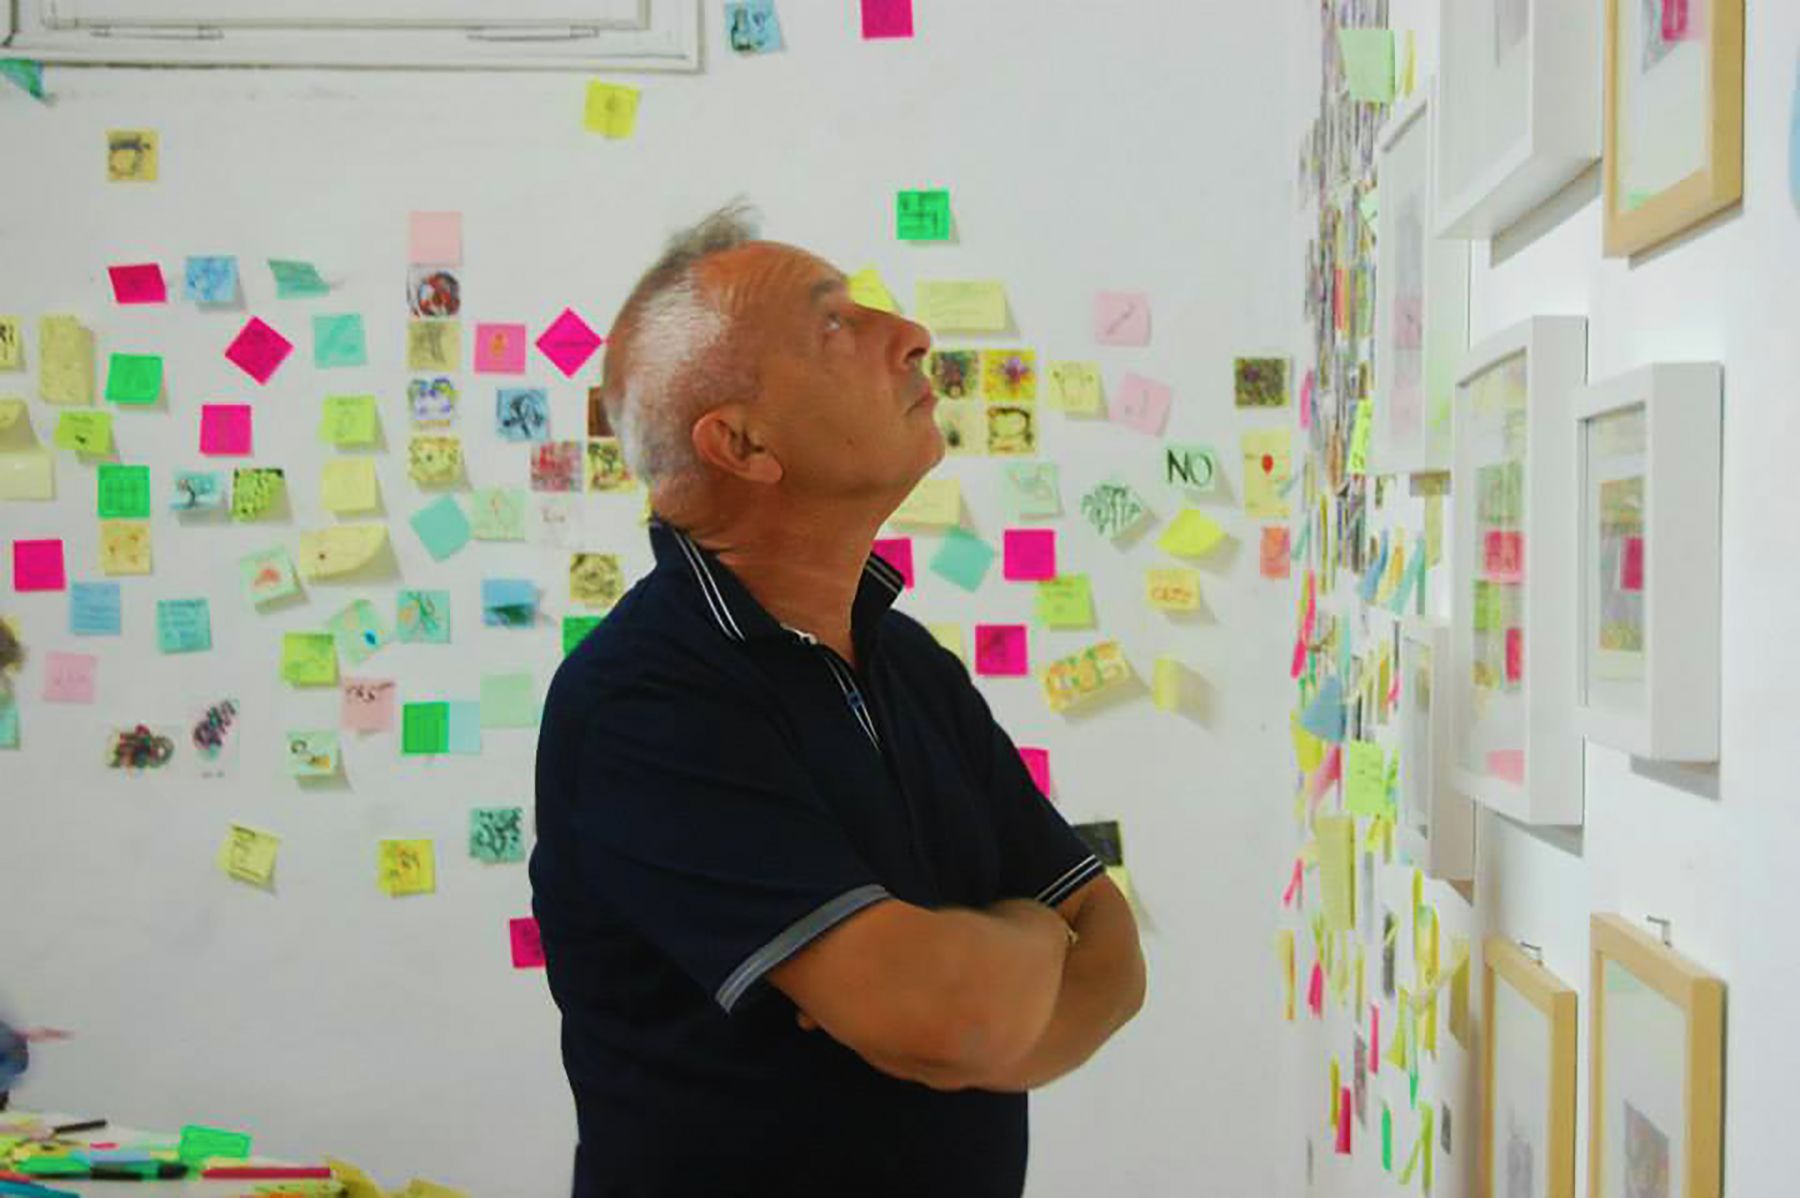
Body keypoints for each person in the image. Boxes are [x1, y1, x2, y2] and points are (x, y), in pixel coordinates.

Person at [532, 202, 1147, 1198]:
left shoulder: (907, 660)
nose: (910, 335)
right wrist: (1030, 948)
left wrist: (981, 1011)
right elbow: (956, 1012)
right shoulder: (642, 704)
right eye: (834, 325)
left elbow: (1110, 954)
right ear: (743, 444)